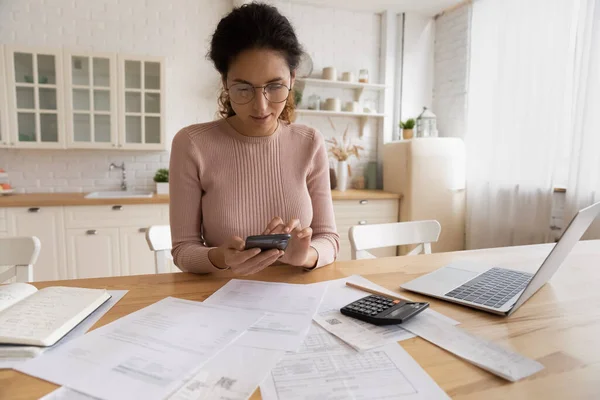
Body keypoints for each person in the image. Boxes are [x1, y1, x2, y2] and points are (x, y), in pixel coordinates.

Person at [169, 2, 340, 275]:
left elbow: (329, 239)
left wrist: (306, 255)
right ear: (225, 82)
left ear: (292, 79)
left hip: (298, 297)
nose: (261, 106)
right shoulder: (192, 144)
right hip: (220, 300)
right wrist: (220, 257)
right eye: (243, 88)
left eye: (275, 86)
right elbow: (183, 250)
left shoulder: (309, 142)